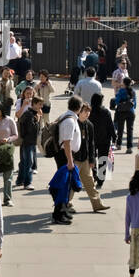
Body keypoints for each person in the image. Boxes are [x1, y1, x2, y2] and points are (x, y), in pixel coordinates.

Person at [51, 96, 84, 224]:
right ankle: (58, 214)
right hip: (65, 155)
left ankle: (63, 210)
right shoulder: (70, 121)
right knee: (64, 185)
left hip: (65, 155)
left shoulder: (66, 116)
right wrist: (70, 161)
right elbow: (67, 143)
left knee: (66, 184)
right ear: (79, 108)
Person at [75, 102, 109, 212]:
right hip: (74, 158)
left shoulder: (89, 125)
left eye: (89, 111)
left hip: (85, 159)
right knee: (72, 183)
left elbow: (91, 144)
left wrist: (92, 159)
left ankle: (97, 204)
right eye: (85, 111)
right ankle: (67, 204)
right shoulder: (74, 123)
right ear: (79, 111)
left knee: (90, 182)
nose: (87, 114)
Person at [89, 92, 115, 189]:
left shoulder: (89, 111)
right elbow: (110, 125)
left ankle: (94, 173)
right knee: (103, 159)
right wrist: (114, 136)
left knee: (92, 157)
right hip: (105, 139)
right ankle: (101, 180)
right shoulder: (105, 112)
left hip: (92, 139)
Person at [16, 96, 42, 190]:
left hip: (29, 142)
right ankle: (27, 182)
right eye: (39, 104)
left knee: (24, 162)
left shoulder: (31, 114)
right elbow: (31, 129)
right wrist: (37, 121)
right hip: (28, 142)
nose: (41, 106)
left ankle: (20, 180)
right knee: (29, 163)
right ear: (34, 104)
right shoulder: (30, 115)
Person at [111, 77, 137, 153]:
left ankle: (119, 145)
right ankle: (129, 147)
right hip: (130, 112)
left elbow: (117, 101)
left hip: (121, 112)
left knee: (120, 129)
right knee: (130, 130)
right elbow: (134, 104)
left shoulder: (121, 91)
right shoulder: (133, 91)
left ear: (124, 83)